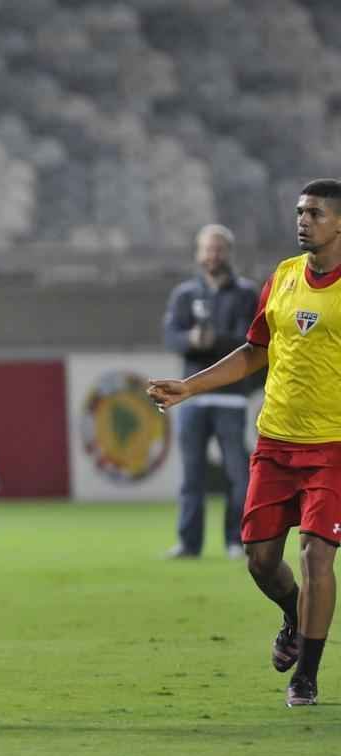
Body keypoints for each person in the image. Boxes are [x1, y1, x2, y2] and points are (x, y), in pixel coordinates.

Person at [149, 178, 341, 707]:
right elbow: (255, 351)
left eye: (316, 213)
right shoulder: (283, 276)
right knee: (259, 559)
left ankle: (306, 675)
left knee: (317, 554)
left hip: (332, 447)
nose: (303, 220)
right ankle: (293, 615)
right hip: (276, 441)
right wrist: (190, 386)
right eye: (300, 212)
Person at [161, 224, 259, 560]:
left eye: (218, 249)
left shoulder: (246, 293)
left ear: (228, 252)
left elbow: (251, 340)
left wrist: (213, 341)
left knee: (237, 474)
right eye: (208, 249)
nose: (213, 255)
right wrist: (190, 340)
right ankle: (189, 544)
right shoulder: (184, 294)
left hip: (231, 396)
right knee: (192, 475)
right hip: (192, 396)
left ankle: (237, 541)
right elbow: (171, 337)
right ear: (198, 253)